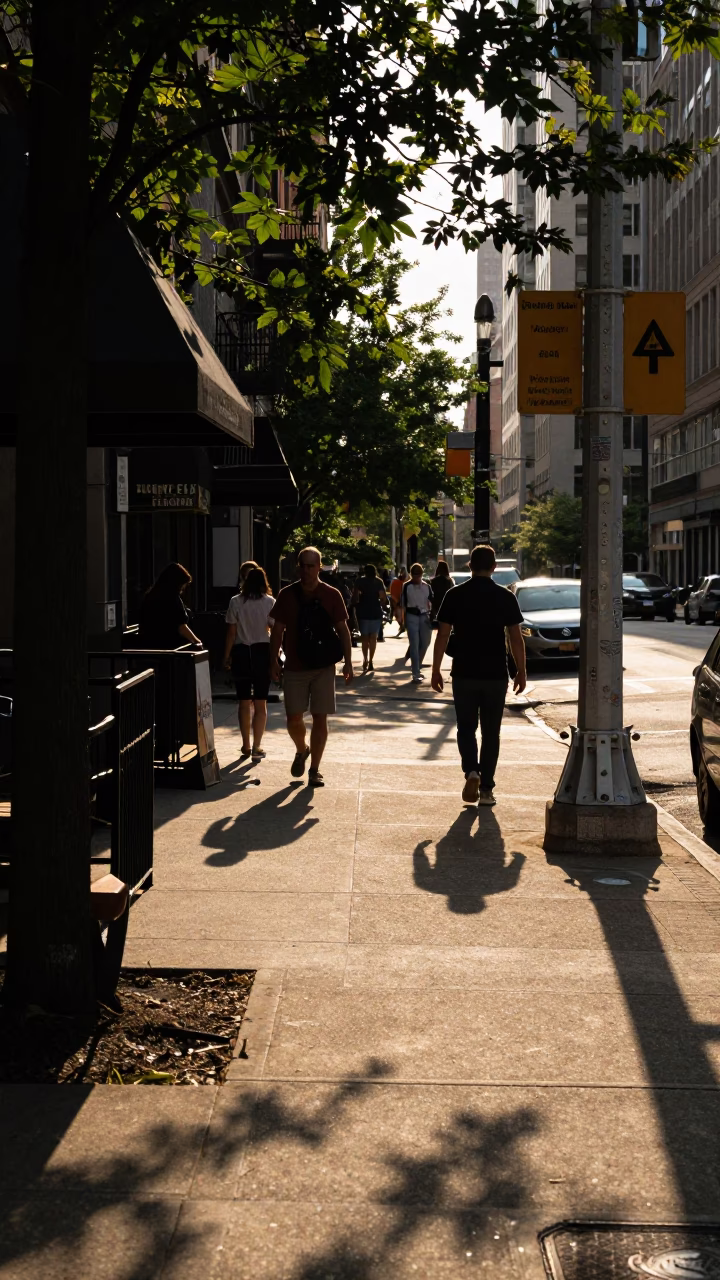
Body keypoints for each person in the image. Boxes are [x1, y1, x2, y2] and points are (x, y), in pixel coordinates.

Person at [431, 544, 527, 807]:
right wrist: (521, 671)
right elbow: (515, 638)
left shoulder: (454, 595)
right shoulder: (506, 597)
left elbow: (442, 635)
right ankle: (486, 789)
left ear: (469, 566)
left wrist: (435, 669)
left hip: (464, 673)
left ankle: (471, 770)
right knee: (491, 733)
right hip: (496, 674)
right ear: (494, 567)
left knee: (465, 728)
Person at [269, 547, 354, 786]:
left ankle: (314, 769)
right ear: (297, 567)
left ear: (319, 567)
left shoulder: (332, 594)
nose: (306, 570)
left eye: (311, 566)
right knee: (293, 718)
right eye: (302, 566)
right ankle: (301, 748)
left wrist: (348, 662)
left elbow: (343, 631)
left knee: (320, 717)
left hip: (323, 665)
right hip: (295, 665)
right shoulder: (286, 594)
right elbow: (277, 631)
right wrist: (273, 660)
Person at [223, 566, 275, 761]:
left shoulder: (235, 602)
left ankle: (245, 744)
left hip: (241, 652)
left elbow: (231, 633)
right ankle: (257, 746)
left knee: (244, 702)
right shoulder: (270, 602)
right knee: (261, 703)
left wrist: (226, 656)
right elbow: (274, 627)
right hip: (262, 652)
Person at [138, 562, 202, 649]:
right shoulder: (172, 598)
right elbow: (181, 626)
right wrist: (197, 641)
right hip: (169, 648)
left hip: (147, 646)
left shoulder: (150, 596)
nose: (183, 588)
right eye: (183, 585)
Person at [352, 564, 388, 673]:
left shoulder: (359, 581)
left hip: (362, 612)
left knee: (364, 638)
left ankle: (365, 659)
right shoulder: (379, 582)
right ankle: (371, 660)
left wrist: (355, 605)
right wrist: (382, 604)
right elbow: (383, 597)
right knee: (373, 638)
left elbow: (355, 596)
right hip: (375, 612)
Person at [402, 562, 433, 683]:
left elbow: (432, 600)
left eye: (418, 575)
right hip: (412, 615)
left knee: (425, 643)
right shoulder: (406, 586)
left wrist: (433, 615)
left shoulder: (426, 586)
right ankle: (415, 672)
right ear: (411, 574)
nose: (416, 577)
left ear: (421, 574)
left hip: (425, 615)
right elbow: (403, 603)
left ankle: (418, 665)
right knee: (414, 644)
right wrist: (402, 618)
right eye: (414, 575)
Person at [429, 559, 454, 626]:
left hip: (436, 606)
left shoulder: (434, 581)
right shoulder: (449, 581)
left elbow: (431, 595)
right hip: (447, 606)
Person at [389, 566, 408, 633]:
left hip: (401, 603)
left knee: (399, 615)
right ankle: (402, 626)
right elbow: (393, 593)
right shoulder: (396, 582)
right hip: (399, 603)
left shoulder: (405, 582)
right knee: (398, 615)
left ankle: (402, 626)